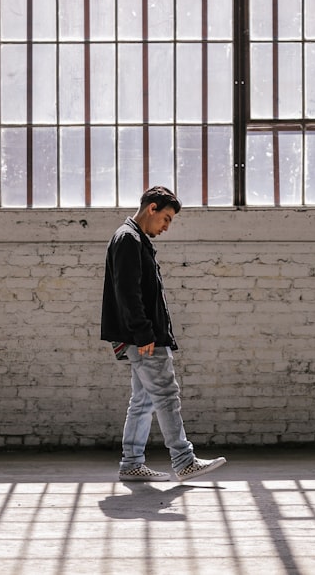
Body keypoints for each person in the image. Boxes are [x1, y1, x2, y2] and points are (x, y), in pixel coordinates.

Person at [101, 186, 227, 482]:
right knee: (167, 395)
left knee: (143, 400)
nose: (167, 226)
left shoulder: (134, 239)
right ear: (152, 208)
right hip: (144, 338)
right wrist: (144, 334)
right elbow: (128, 292)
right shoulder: (129, 239)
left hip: (141, 335)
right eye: (167, 218)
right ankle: (184, 460)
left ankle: (131, 463)